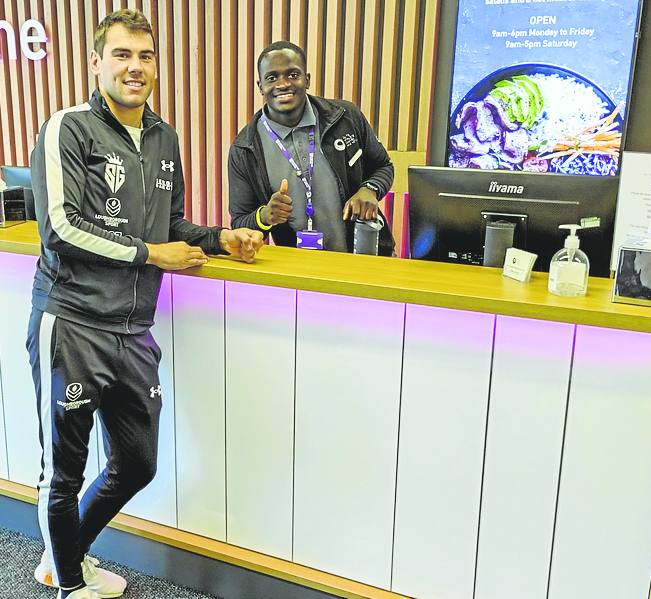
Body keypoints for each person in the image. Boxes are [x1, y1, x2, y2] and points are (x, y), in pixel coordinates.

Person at [26, 10, 263, 599]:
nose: (136, 67)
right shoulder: (69, 129)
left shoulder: (164, 137)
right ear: (96, 62)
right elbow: (60, 228)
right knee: (65, 472)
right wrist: (153, 255)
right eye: (123, 55)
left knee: (136, 463)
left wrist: (218, 237)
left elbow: (170, 222)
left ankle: (65, 560)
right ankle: (69, 585)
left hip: (134, 329)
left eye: (146, 56)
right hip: (74, 321)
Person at [228, 41, 396, 255]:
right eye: (272, 78)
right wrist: (264, 216)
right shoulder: (245, 149)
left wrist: (369, 189)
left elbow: (383, 166)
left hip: (367, 258)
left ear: (306, 80)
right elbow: (240, 223)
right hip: (301, 271)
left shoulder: (346, 118)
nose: (283, 84)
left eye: (292, 74)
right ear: (260, 86)